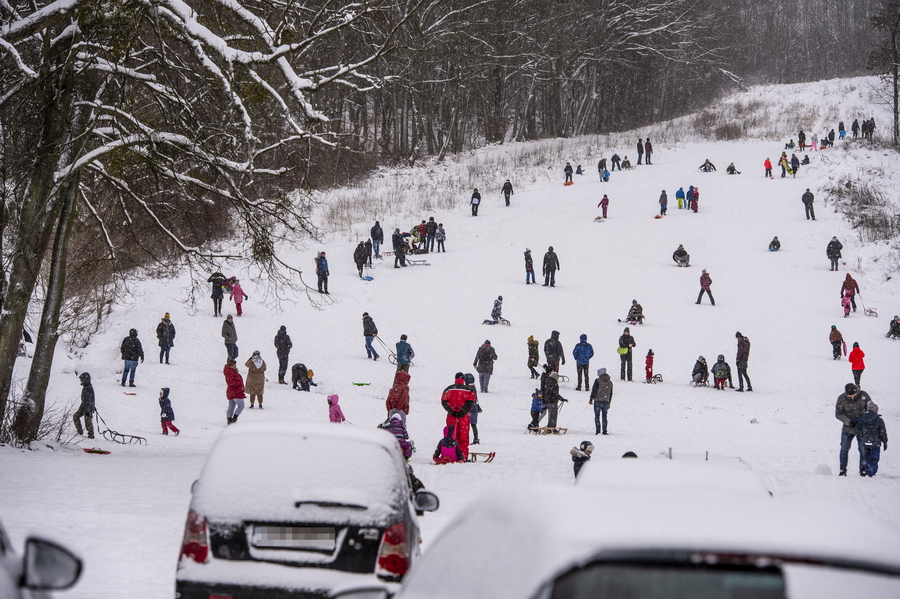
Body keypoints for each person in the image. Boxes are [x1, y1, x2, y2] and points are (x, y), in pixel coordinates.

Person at [835, 383, 871, 476]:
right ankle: (842, 470)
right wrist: (849, 421)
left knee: (863, 450)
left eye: (853, 395)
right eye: (849, 395)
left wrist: (863, 419)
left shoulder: (864, 396)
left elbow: (871, 409)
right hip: (847, 429)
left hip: (862, 429)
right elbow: (838, 414)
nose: (851, 396)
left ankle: (863, 470)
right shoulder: (841, 398)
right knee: (844, 449)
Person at [440, 372, 476, 459]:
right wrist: (462, 411)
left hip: (451, 416)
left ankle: (450, 454)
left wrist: (451, 411)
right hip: (463, 417)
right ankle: (462, 455)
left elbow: (444, 401)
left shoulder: (448, 389)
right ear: (463, 380)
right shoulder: (468, 390)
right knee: (463, 437)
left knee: (451, 435)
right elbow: (471, 402)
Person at [857, 401, 888, 477]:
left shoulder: (863, 418)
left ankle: (865, 471)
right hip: (875, 443)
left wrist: (858, 423)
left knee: (866, 458)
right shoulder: (879, 420)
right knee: (874, 459)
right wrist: (885, 442)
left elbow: (858, 429)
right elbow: (882, 432)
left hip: (865, 442)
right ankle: (871, 472)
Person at [589, 367, 613, 435]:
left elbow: (594, 390)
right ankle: (604, 431)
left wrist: (591, 399)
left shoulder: (598, 380)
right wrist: (609, 402)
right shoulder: (610, 382)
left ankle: (598, 431)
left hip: (597, 401)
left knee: (597, 416)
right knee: (604, 417)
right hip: (605, 401)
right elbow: (610, 393)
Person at [73, 372, 95, 439]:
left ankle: (91, 435)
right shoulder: (86, 387)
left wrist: (88, 411)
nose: (81, 381)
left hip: (87, 408)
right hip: (83, 407)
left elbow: (88, 400)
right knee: (75, 416)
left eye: (82, 380)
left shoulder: (88, 388)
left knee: (88, 422)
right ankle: (79, 430)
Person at [224, 359, 245, 425]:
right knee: (241, 406)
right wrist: (239, 383)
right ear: (233, 364)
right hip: (235, 391)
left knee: (231, 406)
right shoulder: (231, 372)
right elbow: (230, 382)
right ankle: (234, 418)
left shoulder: (229, 371)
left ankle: (229, 419)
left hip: (231, 392)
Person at [462, 373, 482, 444]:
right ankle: (476, 438)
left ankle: (465, 438)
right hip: (474, 408)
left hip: (468, 408)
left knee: (465, 425)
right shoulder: (474, 387)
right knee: (473, 425)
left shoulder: (466, 388)